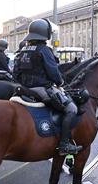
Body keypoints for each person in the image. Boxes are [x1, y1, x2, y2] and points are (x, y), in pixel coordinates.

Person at [13, 18, 82, 156]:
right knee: (71, 109)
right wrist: (60, 83)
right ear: (45, 34)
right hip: (41, 89)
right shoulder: (44, 49)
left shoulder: (23, 50)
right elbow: (53, 72)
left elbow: (16, 73)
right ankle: (64, 145)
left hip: (24, 88)